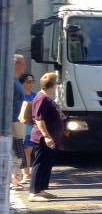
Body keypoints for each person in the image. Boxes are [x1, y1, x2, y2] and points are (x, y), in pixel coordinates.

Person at [28, 72, 65, 201]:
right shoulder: (42, 98)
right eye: (57, 83)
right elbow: (39, 120)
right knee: (39, 163)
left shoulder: (48, 98)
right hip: (42, 138)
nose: (58, 85)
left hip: (51, 138)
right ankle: (33, 192)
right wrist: (47, 136)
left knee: (46, 164)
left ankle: (41, 189)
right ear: (53, 85)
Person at [11, 53, 26, 190]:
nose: (25, 66)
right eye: (23, 63)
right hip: (9, 124)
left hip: (15, 122)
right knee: (15, 153)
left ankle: (15, 179)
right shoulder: (10, 82)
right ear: (15, 64)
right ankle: (14, 180)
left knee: (17, 154)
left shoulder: (16, 82)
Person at [18, 72, 35, 186]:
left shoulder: (35, 96)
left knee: (29, 150)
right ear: (22, 83)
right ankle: (26, 174)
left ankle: (28, 174)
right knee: (25, 151)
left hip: (33, 127)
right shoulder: (19, 96)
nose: (31, 84)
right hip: (21, 127)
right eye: (28, 82)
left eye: (32, 82)